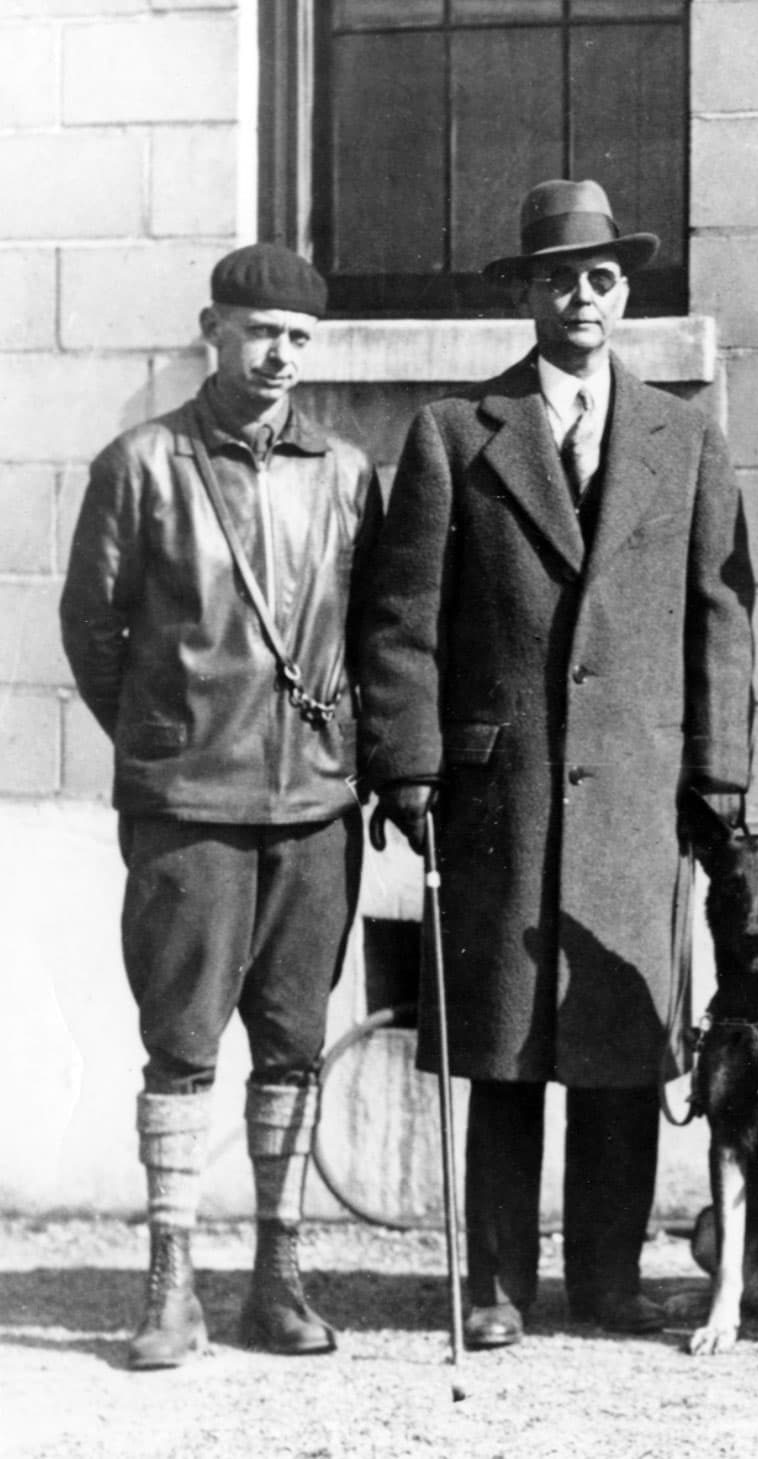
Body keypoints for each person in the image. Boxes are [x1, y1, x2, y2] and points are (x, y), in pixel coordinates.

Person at [352, 179, 755, 1350]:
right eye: (557, 278)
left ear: (624, 293)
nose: (581, 297)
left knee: (620, 1048)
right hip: (501, 794)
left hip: (637, 788)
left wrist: (718, 775)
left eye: (601, 278)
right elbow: (401, 617)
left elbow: (720, 612)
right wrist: (409, 769)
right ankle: (494, 1286)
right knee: (507, 1045)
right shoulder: (453, 433)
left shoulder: (685, 436)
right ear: (523, 292)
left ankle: (608, 1278)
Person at [59, 244, 378, 1369]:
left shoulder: (345, 472)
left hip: (314, 810)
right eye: (260, 331)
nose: (280, 352)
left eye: (298, 335)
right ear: (215, 330)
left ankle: (278, 1279)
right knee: (182, 1047)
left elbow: (375, 632)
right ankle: (171, 1285)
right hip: (188, 806)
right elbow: (94, 634)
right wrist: (166, 741)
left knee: (291, 1047)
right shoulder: (140, 464)